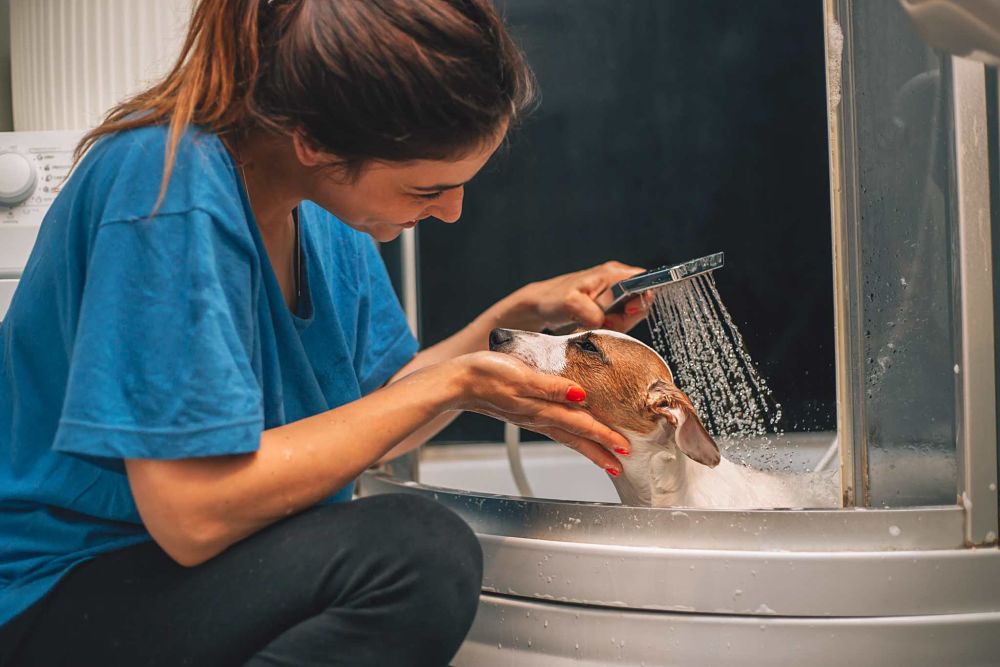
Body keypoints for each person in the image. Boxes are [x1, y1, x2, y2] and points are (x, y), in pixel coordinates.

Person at [0, 1, 648, 665]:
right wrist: (457, 380)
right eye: (428, 186)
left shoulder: (324, 209)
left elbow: (375, 412)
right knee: (418, 553)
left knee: (422, 550)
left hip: (194, 572)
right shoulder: (166, 188)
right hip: (60, 594)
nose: (452, 212)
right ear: (315, 143)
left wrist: (512, 325)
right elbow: (192, 515)